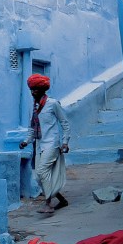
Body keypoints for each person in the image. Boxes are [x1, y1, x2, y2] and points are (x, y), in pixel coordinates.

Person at [19, 73, 71, 214]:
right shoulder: (34, 107)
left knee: (42, 171)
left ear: (43, 90)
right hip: (39, 144)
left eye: (35, 89)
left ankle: (48, 204)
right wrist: (26, 141)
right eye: (31, 89)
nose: (32, 92)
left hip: (52, 144)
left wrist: (65, 142)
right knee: (38, 177)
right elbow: (32, 127)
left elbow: (65, 123)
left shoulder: (53, 104)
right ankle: (61, 199)